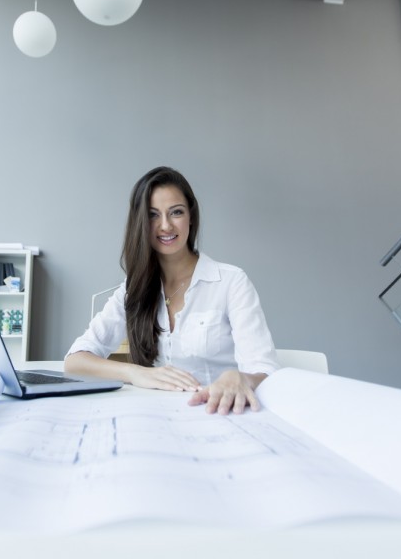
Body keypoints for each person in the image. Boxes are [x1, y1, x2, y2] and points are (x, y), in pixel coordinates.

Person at [64, 166, 280, 415]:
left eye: (176, 212)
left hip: (221, 414)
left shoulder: (231, 282)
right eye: (153, 215)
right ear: (141, 223)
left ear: (191, 217)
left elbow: (266, 372)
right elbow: (75, 361)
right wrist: (136, 373)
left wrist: (239, 377)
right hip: (157, 417)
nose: (165, 226)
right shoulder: (134, 288)